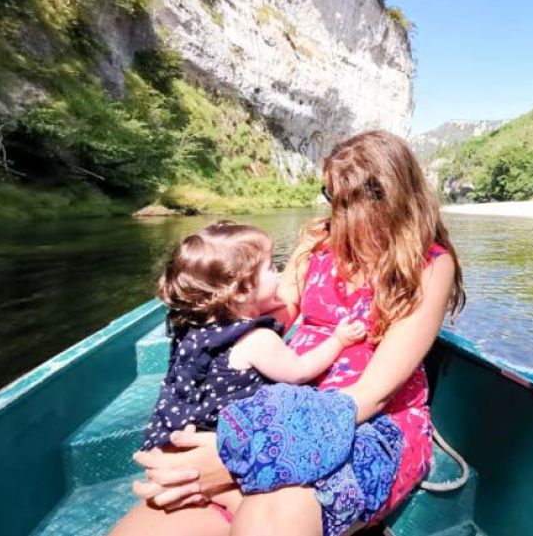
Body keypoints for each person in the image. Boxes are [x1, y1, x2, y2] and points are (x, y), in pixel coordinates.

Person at [110, 130, 465, 536]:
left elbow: (373, 394)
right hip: (268, 405)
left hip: (366, 423)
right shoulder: (319, 239)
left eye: (350, 201)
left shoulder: (431, 266)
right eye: (333, 198)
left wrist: (236, 456)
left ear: (391, 197)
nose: (340, 217)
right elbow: (273, 310)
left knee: (270, 522)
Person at [138, 221, 366, 515]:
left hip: (171, 436)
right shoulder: (256, 338)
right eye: (271, 268)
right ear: (242, 291)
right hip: (217, 438)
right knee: (250, 508)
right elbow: (299, 370)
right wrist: (338, 340)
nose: (279, 273)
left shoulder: (193, 328)